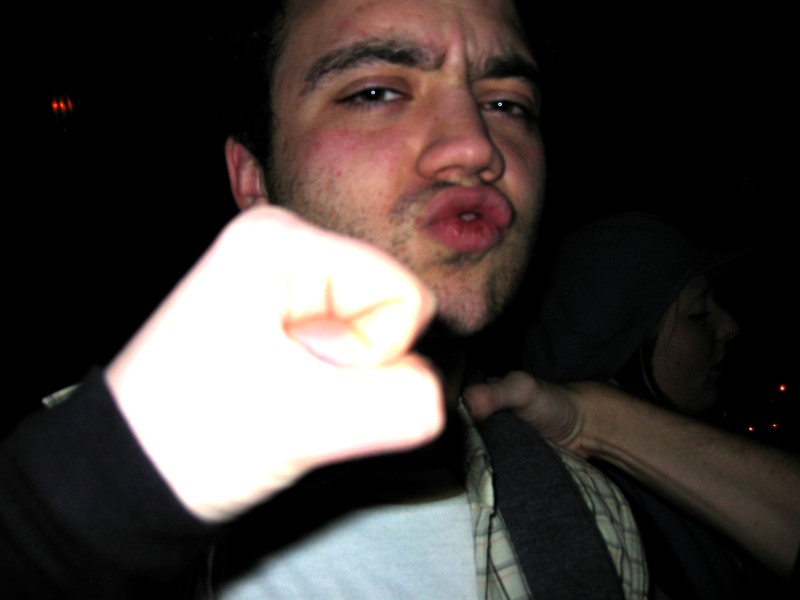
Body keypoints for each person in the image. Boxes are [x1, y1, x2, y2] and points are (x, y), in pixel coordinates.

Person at [0, 2, 648, 598]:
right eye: (375, 93)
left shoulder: (593, 519)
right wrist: (67, 514)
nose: (475, 146)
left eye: (507, 103)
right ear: (254, 178)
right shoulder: (59, 473)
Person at [465, 212, 800, 598]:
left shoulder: (713, 447)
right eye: (698, 314)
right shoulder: (601, 515)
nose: (729, 327)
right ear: (622, 345)